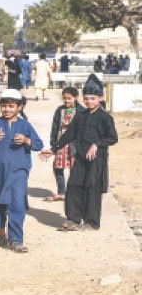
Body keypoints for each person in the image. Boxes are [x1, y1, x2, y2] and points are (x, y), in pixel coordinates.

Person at [41, 74, 118, 231]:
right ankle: (74, 219)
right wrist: (54, 149)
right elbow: (69, 135)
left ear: (100, 98)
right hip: (80, 158)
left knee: (92, 189)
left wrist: (97, 144)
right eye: (87, 98)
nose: (89, 101)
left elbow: (112, 138)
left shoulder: (105, 117)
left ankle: (91, 222)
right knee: (73, 187)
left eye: (93, 98)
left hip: (96, 161)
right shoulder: (80, 115)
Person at [0, 89, 44, 253]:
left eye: (11, 106)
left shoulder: (25, 125)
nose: (7, 109)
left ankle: (16, 240)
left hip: (18, 171)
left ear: (19, 107)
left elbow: (38, 144)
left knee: (17, 203)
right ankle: (1, 234)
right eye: (4, 106)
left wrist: (26, 140)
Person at [44, 87, 84, 202]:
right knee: (57, 168)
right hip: (61, 143)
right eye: (65, 98)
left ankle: (73, 193)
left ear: (76, 98)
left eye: (69, 98)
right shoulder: (60, 110)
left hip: (74, 144)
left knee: (74, 169)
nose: (67, 101)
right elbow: (55, 128)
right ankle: (61, 192)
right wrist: (53, 145)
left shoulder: (81, 111)